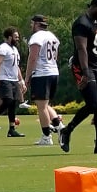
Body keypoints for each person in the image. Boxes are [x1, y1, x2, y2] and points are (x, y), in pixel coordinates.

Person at [60, 0, 97, 155]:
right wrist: (85, 72)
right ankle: (67, 130)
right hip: (84, 67)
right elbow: (81, 49)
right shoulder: (82, 23)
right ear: (93, 7)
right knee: (92, 103)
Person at [26, 15, 64, 146]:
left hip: (42, 73)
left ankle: (46, 136)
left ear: (36, 24)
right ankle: (59, 127)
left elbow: (32, 58)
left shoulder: (36, 37)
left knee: (41, 107)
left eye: (32, 24)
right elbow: (56, 56)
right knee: (45, 104)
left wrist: (27, 77)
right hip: (54, 72)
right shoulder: (53, 36)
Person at [0, 29, 25, 137]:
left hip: (13, 79)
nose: (17, 39)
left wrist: (21, 80)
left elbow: (16, 66)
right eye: (15, 37)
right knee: (8, 100)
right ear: (9, 37)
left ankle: (11, 129)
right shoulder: (3, 48)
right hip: (4, 78)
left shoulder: (14, 49)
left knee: (13, 103)